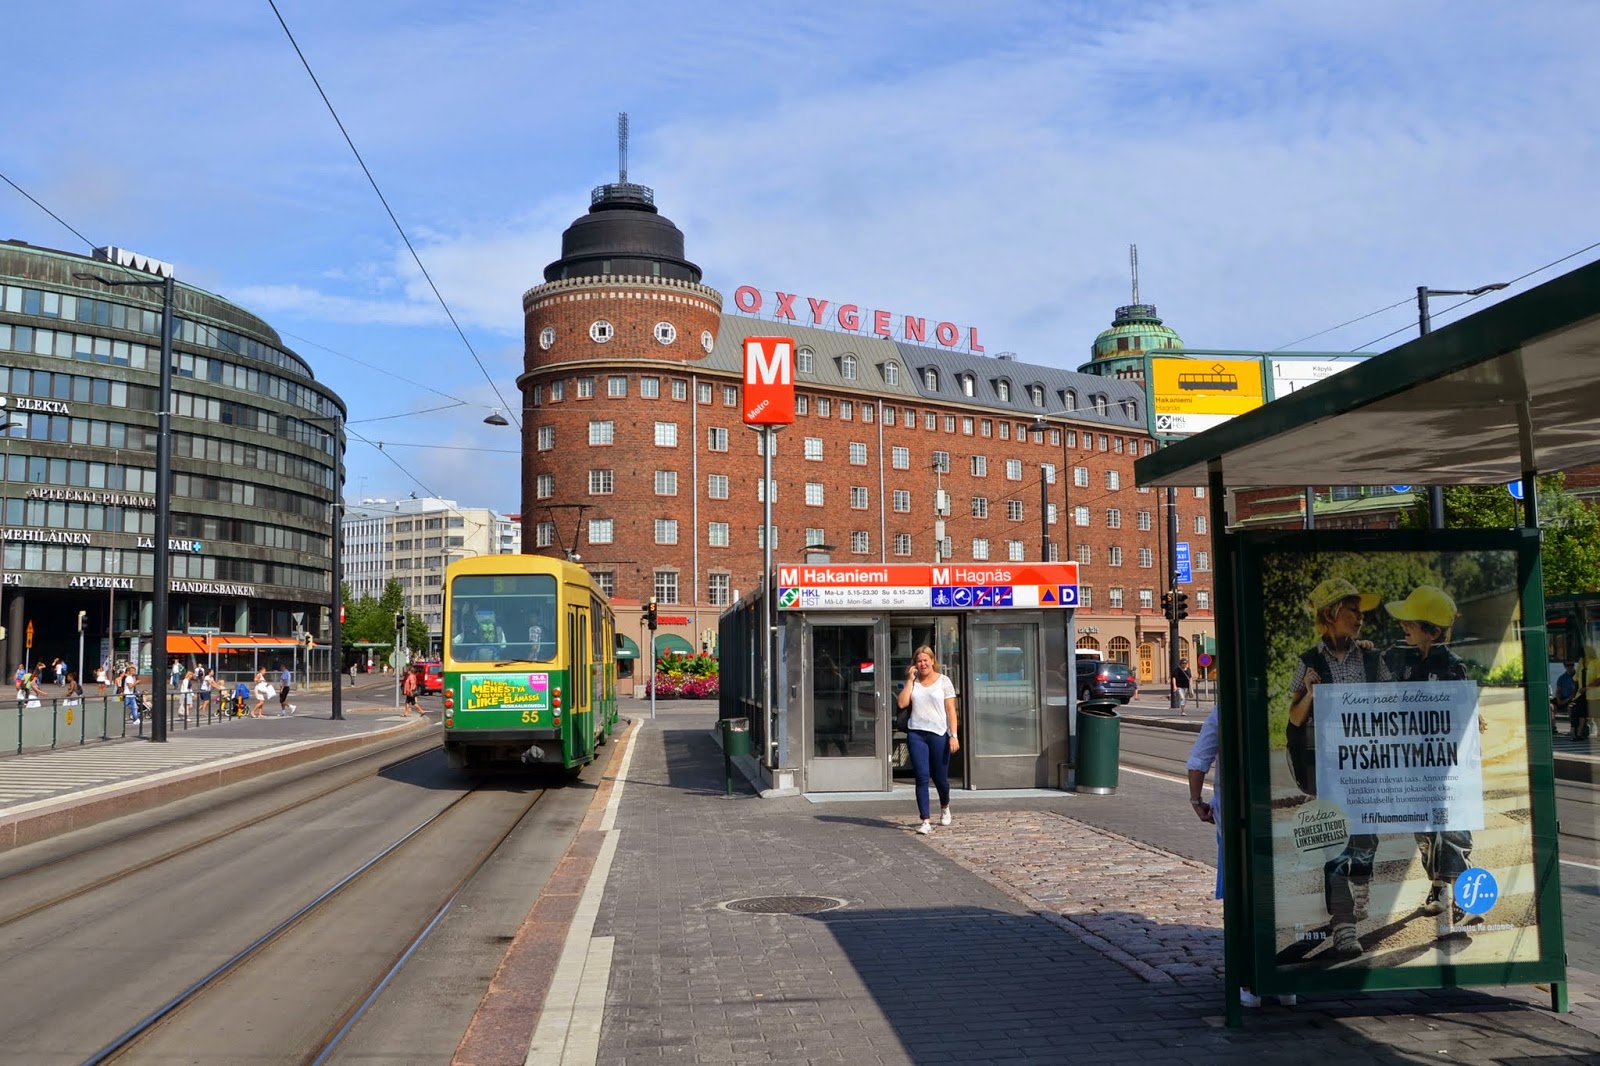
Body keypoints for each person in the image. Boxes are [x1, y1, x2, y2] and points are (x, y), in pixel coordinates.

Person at [1285, 577, 1392, 960]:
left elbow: (1392, 703)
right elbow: (1294, 720)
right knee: (1335, 847)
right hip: (1330, 770)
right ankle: (1344, 927)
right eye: (1353, 611)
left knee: (1365, 842)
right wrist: (1311, 695)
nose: (1360, 619)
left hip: (1367, 768)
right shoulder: (1309, 662)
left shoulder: (1371, 658)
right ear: (1331, 614)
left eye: (1360, 613)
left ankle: (1360, 886)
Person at [1384, 585, 1480, 926]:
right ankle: (1438, 888)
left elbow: (1464, 715)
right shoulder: (1406, 661)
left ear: (1433, 631)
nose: (1403, 628)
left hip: (1446, 764)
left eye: (1411, 623)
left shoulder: (1453, 667)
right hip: (1414, 761)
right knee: (1424, 831)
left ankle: (1464, 898)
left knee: (1452, 830)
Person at [1187, 707, 1294, 1007]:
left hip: (1236, 822)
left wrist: (1197, 802)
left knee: (1243, 901)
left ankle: (1249, 983)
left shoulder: (1224, 711)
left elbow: (1198, 761)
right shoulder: (1282, 703)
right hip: (1284, 816)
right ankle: (1285, 981)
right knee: (1281, 896)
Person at [894, 645, 959, 835]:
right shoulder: (913, 682)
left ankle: (945, 806)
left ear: (932, 661)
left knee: (940, 778)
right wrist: (909, 680)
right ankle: (925, 820)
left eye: (925, 660)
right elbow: (902, 703)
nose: (922, 664)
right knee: (922, 776)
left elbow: (950, 711)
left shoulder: (943, 681)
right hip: (917, 733)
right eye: (919, 661)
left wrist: (953, 735)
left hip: (938, 733)